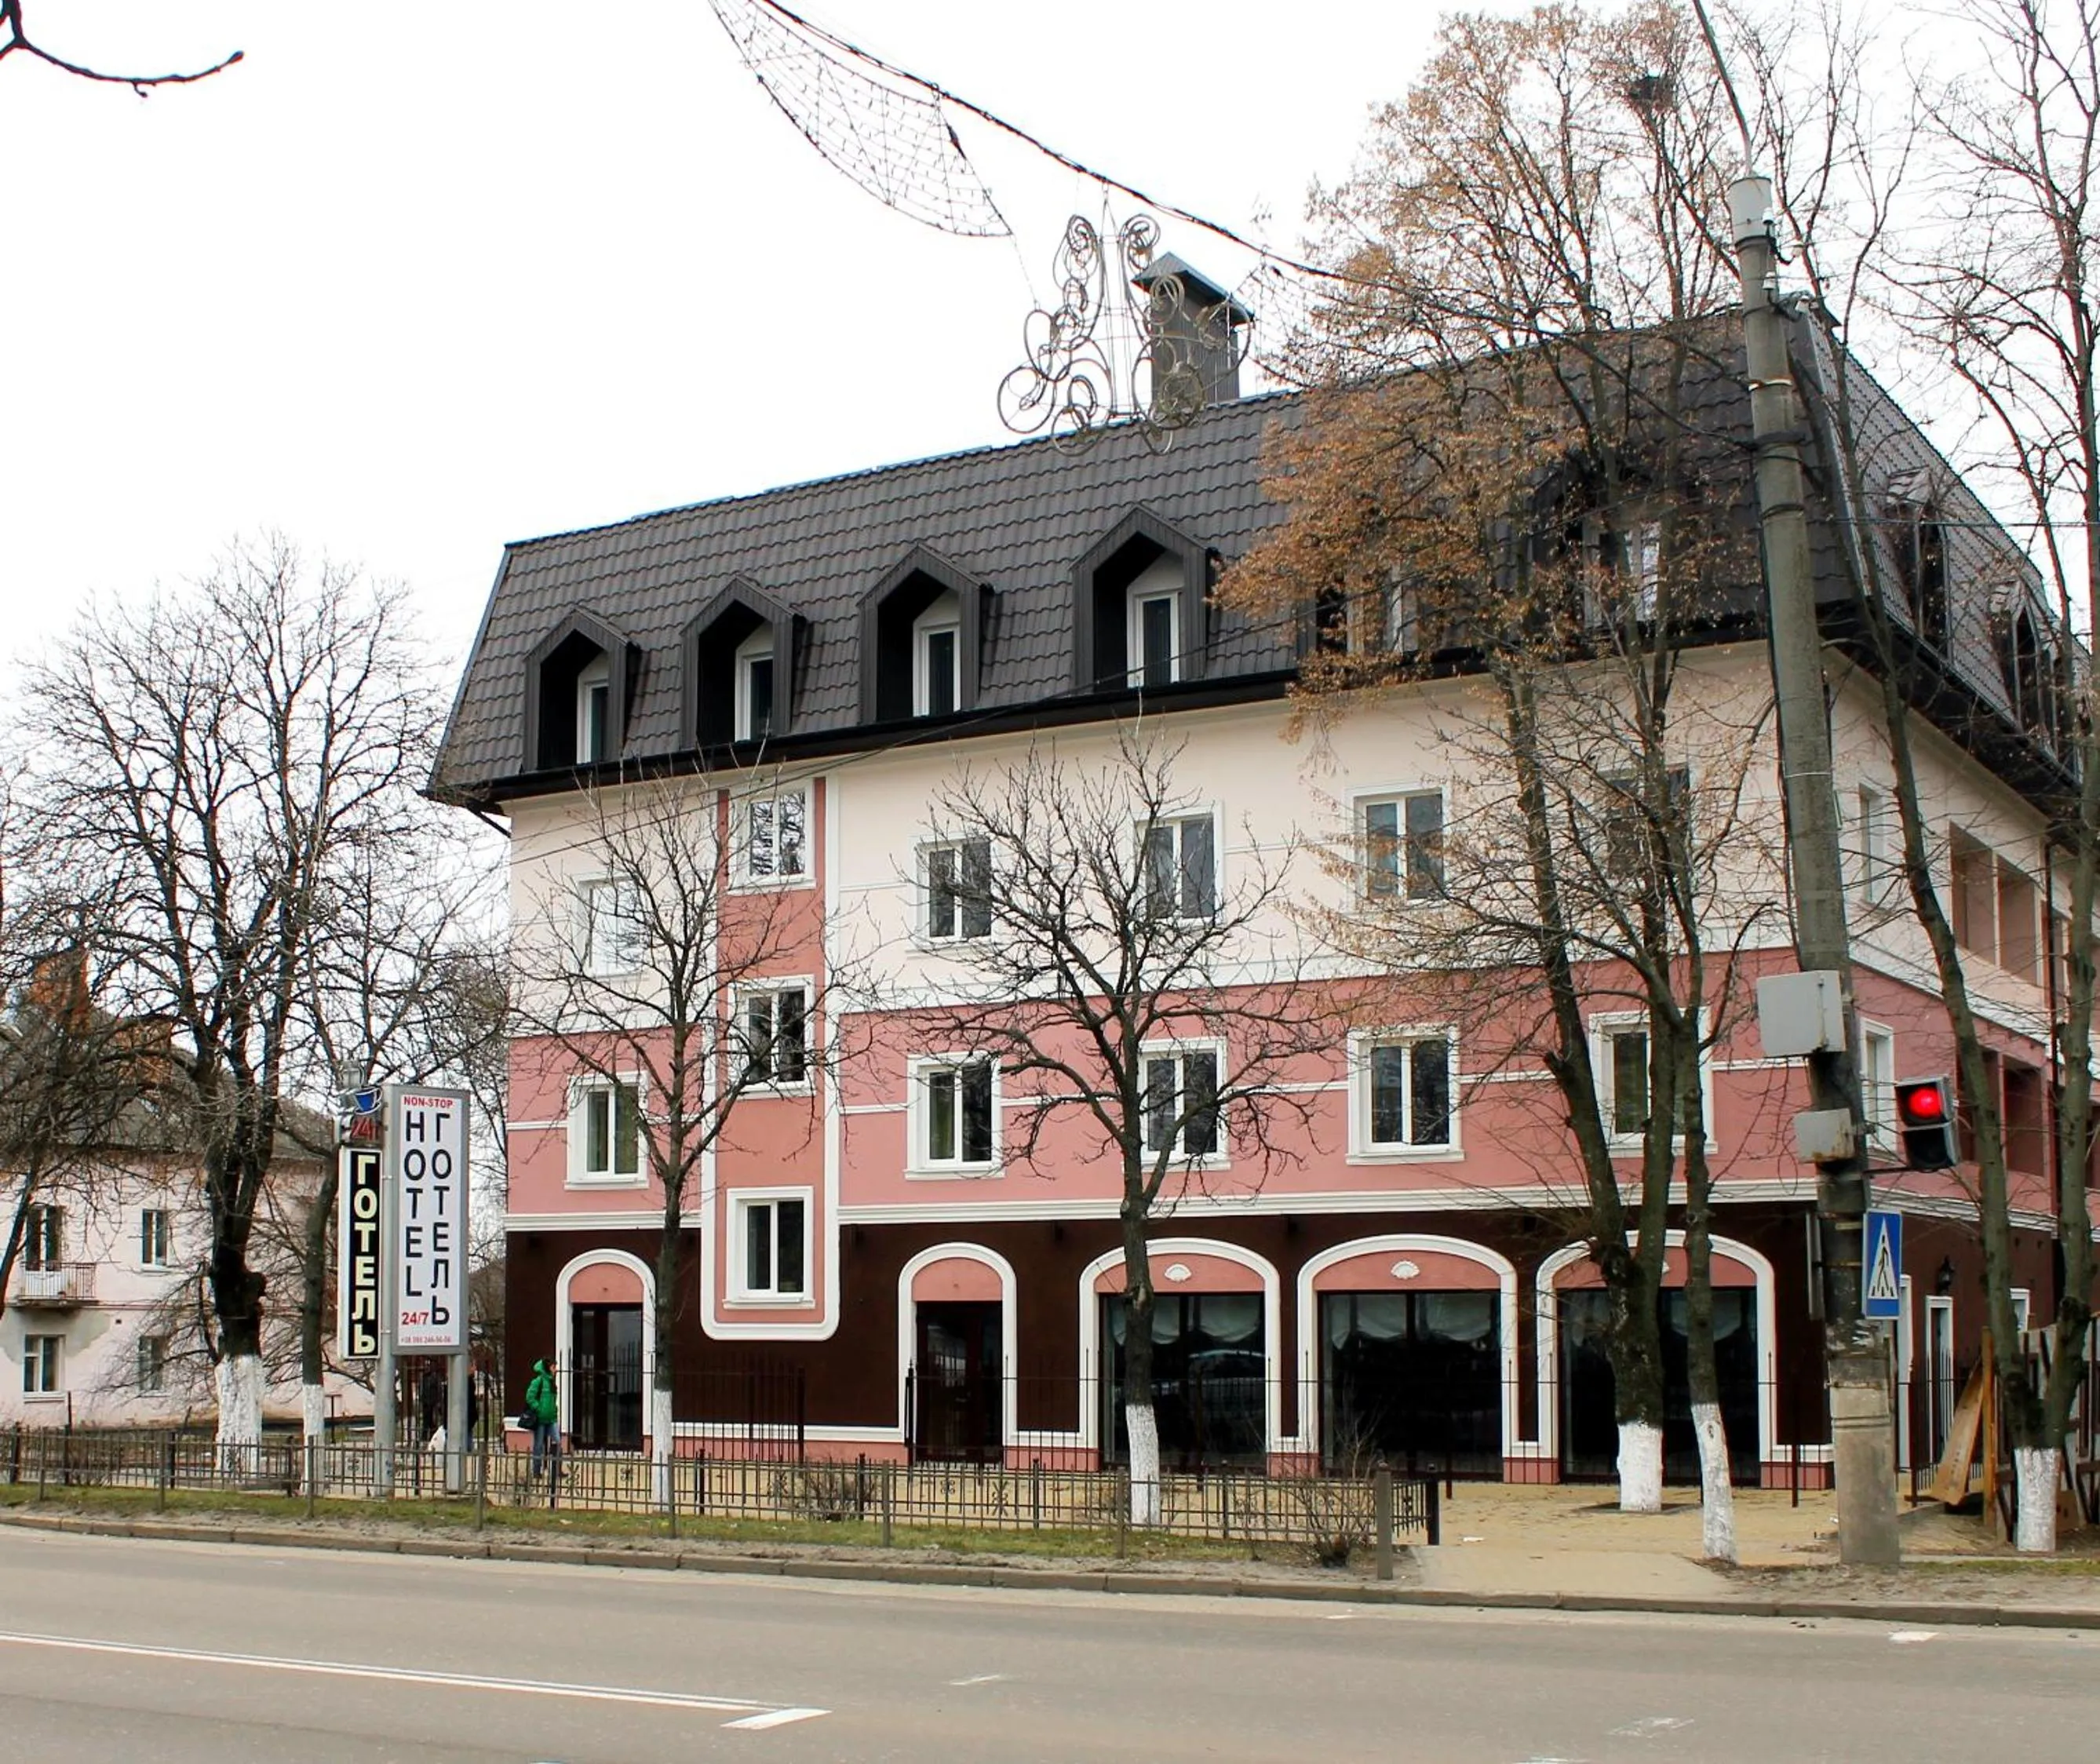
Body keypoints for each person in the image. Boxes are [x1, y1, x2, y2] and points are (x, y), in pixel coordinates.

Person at [525, 1358, 560, 1479]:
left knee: (558, 1442)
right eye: (553, 1367)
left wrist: (555, 1412)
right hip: (540, 1419)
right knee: (539, 1445)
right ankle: (536, 1471)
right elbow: (530, 1397)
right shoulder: (538, 1381)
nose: (556, 1370)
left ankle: (556, 1470)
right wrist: (539, 1408)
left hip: (551, 1419)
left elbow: (552, 1400)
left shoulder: (552, 1382)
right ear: (547, 1368)